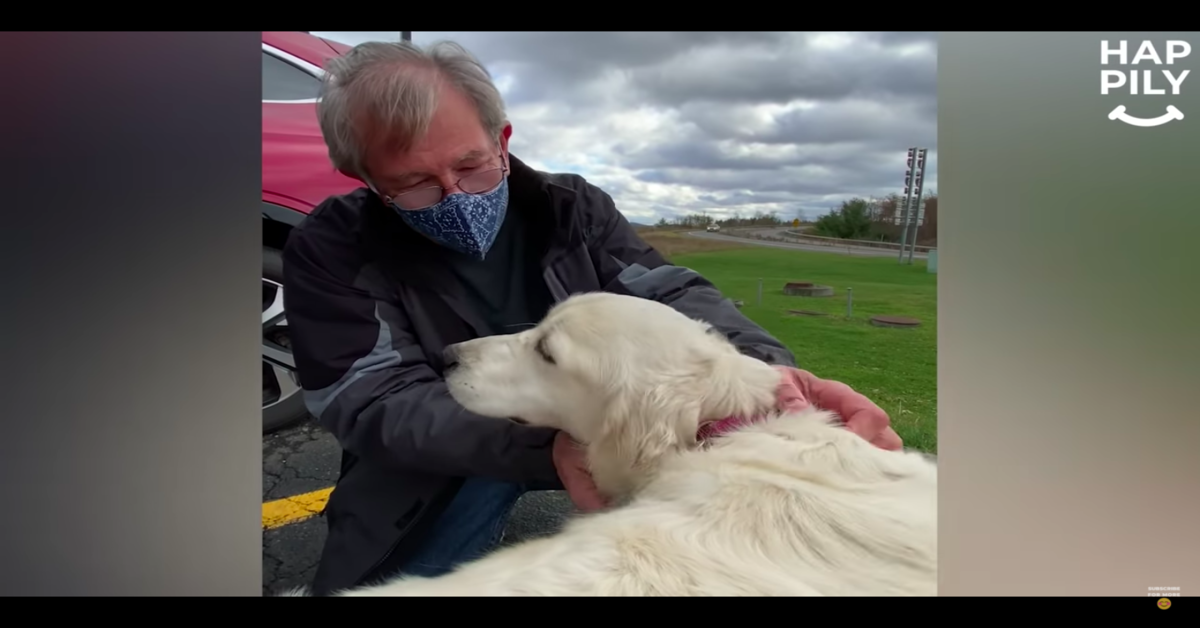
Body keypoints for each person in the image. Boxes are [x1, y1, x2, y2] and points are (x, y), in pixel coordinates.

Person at [281, 39, 903, 596]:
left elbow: (671, 293)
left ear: (502, 137)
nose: (456, 196)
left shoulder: (572, 207)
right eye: (416, 183)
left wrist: (768, 381)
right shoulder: (329, 249)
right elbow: (369, 400)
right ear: (362, 177)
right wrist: (546, 450)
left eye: (471, 165)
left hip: (585, 425)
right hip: (455, 451)